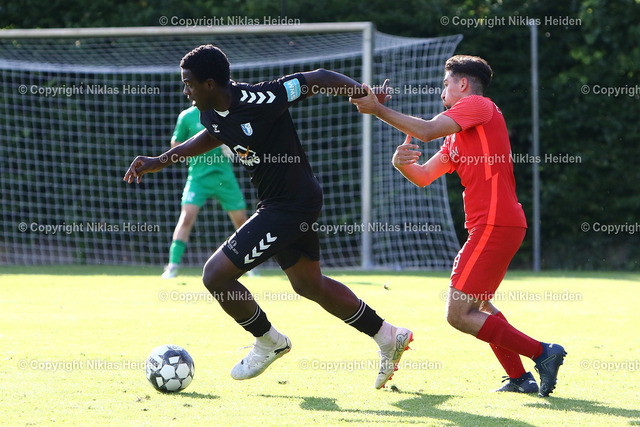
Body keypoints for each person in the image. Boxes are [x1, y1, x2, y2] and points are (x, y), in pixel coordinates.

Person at [124, 44, 412, 389]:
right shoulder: (208, 112)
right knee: (309, 284)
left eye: (189, 83)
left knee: (215, 275)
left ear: (210, 84)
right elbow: (213, 134)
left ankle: (268, 341)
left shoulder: (260, 98)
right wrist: (161, 160)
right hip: (281, 203)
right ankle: (388, 335)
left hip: (291, 205)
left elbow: (317, 78)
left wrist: (362, 94)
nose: (185, 90)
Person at [350, 55, 566, 397]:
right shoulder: (458, 137)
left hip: (495, 223)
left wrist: (377, 109)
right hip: (496, 224)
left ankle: (543, 353)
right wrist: (401, 164)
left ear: (463, 84)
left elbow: (425, 130)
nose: (442, 92)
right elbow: (424, 176)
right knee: (479, 306)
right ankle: (519, 378)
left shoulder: (478, 105)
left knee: (459, 315)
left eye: (446, 84)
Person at [162, 104, 249, 279]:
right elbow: (175, 145)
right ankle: (172, 266)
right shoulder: (186, 116)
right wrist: (192, 148)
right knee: (186, 217)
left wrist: (232, 145)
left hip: (224, 177)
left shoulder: (223, 112)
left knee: (242, 221)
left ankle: (250, 265)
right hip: (198, 177)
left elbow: (242, 139)